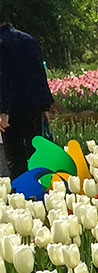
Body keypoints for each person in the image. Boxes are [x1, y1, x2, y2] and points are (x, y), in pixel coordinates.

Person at [0, 17, 55, 179]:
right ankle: (41, 191)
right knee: (35, 150)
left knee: (15, 157)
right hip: (33, 107)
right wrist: (45, 105)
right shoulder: (28, 39)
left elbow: (2, 79)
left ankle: (21, 196)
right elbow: (39, 73)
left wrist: (3, 110)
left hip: (13, 109)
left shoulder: (1, 43)